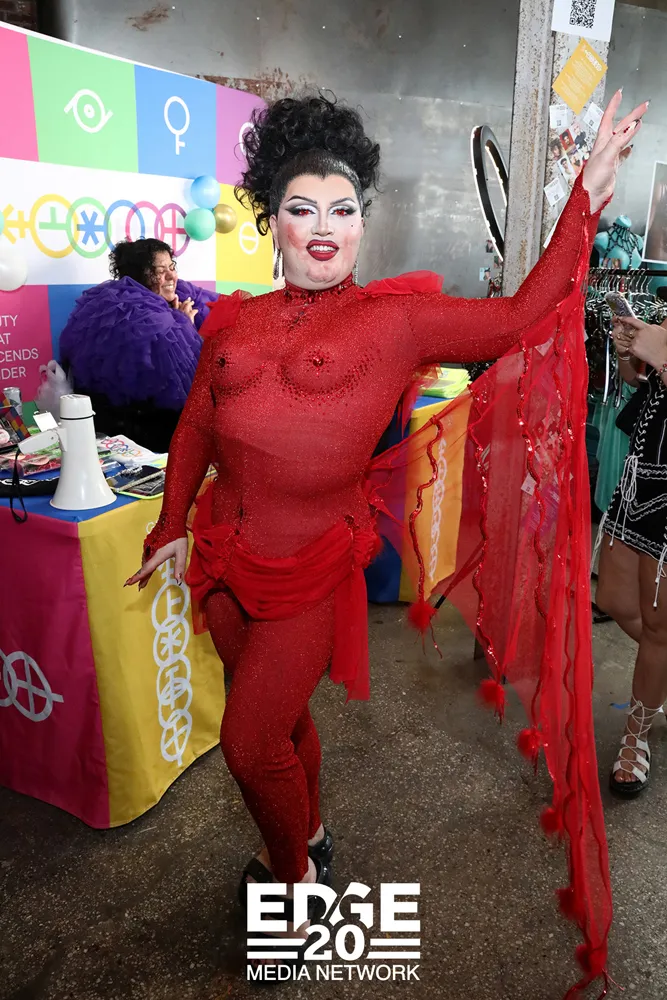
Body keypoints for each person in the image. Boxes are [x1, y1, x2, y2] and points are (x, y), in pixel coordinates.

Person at [126, 92, 645, 973]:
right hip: (223, 562)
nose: (324, 228)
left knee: (247, 745)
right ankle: (311, 833)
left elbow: (520, 315)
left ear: (362, 220)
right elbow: (196, 426)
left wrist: (583, 197)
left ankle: (297, 884)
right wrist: (169, 525)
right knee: (278, 724)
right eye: (302, 209)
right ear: (272, 220)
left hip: (307, 567)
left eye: (342, 210)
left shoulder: (395, 322)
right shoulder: (237, 321)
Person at [595, 315, 667, 797]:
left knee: (659, 629)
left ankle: (636, 737)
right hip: (640, 479)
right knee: (616, 600)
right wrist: (629, 353)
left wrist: (662, 354)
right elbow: (638, 384)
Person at [59, 238, 218, 452]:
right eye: (160, 270)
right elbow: (191, 377)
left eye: (172, 267)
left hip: (106, 430)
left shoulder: (106, 302)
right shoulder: (148, 316)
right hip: (149, 434)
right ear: (140, 274)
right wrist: (185, 324)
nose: (171, 276)